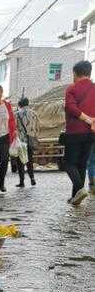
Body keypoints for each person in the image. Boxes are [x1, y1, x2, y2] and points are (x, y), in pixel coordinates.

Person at [63, 60, 95, 205]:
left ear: (75, 73)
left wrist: (87, 119)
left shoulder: (72, 88)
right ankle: (75, 197)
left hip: (75, 131)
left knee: (69, 163)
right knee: (82, 164)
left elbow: (71, 108)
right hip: (91, 133)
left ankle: (80, 189)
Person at [15, 97, 38, 187]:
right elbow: (37, 127)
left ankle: (22, 181)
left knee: (20, 160)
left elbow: (15, 127)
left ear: (20, 104)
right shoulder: (34, 113)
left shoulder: (17, 114)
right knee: (30, 160)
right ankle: (32, 178)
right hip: (31, 139)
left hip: (21, 141)